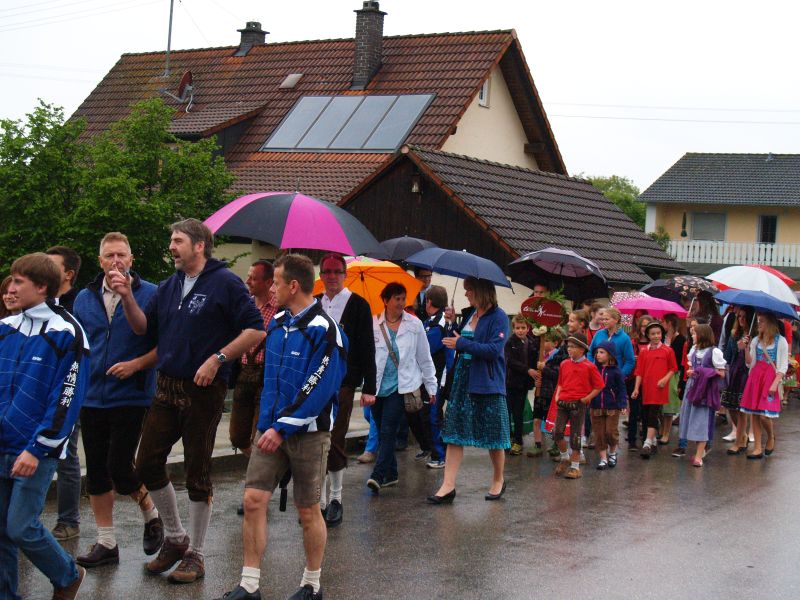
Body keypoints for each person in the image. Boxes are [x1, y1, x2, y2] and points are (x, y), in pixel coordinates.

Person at [110, 218, 266, 583]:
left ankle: (196, 553)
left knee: (198, 471)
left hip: (203, 389)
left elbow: (256, 329)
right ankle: (176, 537)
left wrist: (218, 358)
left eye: (177, 240)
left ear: (199, 245)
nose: (171, 247)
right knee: (146, 463)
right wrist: (128, 296)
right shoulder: (170, 285)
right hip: (166, 386)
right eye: (171, 240)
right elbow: (142, 328)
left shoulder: (225, 282)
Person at [216, 254, 347, 600]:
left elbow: (320, 387)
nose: (272, 289)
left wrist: (283, 426)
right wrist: (268, 424)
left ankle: (312, 584)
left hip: (309, 434)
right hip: (269, 429)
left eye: (276, 282)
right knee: (253, 499)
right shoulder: (276, 323)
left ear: (293, 285)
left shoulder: (327, 330)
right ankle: (249, 584)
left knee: (308, 510)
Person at [0, 253, 89, 600]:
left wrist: (38, 448)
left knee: (21, 527)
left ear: (41, 287)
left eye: (19, 281)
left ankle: (68, 575)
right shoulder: (6, 328)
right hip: (3, 445)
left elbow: (67, 398)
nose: (11, 287)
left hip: (35, 450)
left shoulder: (67, 332)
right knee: (1, 532)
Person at [71, 232, 163, 568]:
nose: (116, 261)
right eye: (109, 255)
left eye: (121, 255)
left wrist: (136, 365)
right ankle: (106, 541)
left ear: (131, 259)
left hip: (131, 393)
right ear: (100, 261)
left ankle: (151, 514)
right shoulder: (84, 298)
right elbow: (78, 345)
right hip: (92, 395)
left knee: (119, 465)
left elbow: (162, 344)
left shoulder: (151, 293)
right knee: (96, 470)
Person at [428, 277, 510, 503]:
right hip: (463, 380)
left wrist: (462, 344)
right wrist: (453, 324)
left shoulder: (499, 317)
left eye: (469, 290)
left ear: (481, 291)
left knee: (494, 435)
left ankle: (498, 479)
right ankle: (448, 486)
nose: (466, 294)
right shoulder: (470, 314)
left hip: (487, 382)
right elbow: (459, 341)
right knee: (454, 433)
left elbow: (493, 350)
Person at [315, 252, 376, 527]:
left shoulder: (358, 305)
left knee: (335, 437)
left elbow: (367, 348)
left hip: (343, 381)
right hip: (315, 382)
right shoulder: (314, 303)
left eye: (336, 271)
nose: (331, 276)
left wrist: (370, 386)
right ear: (320, 275)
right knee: (315, 440)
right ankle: (319, 500)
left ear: (345, 274)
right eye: (326, 271)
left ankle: (336, 498)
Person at [368, 282, 437, 494]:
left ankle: (378, 474)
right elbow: (367, 356)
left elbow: (424, 357)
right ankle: (392, 474)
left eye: (403, 298)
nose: (400, 303)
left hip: (402, 386)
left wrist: (431, 385)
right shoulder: (374, 322)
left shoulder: (414, 325)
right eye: (396, 299)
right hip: (377, 387)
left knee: (388, 430)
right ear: (385, 300)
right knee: (383, 431)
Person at [231, 260, 278, 516]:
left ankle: (255, 491)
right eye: (248, 276)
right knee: (237, 437)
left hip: (266, 377)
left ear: (269, 282)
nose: (247, 281)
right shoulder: (245, 304)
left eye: (253, 278)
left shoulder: (280, 309)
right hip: (243, 374)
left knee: (258, 438)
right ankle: (270, 472)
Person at [44, 245, 85, 542]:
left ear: (69, 274)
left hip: (69, 387)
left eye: (52, 266)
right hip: (41, 387)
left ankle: (69, 520)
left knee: (65, 454)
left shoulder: (79, 304)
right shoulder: (42, 302)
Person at [739, 313, 788, 459]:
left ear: (771, 324)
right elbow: (750, 363)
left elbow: (783, 366)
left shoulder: (781, 341)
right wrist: (746, 348)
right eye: (758, 321)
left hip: (770, 378)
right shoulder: (755, 340)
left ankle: (771, 436)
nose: (758, 324)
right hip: (756, 377)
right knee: (755, 413)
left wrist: (775, 383)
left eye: (762, 321)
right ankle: (757, 448)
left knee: (764, 416)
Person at [588, 307, 637, 449]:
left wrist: (620, 375)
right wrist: (591, 368)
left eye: (607, 319)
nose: (603, 321)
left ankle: (612, 446)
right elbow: (590, 352)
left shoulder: (624, 338)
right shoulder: (599, 334)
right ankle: (596, 438)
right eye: (602, 318)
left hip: (613, 380)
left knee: (611, 413)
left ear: (616, 320)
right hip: (596, 377)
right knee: (595, 408)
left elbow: (630, 360)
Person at [679, 324, 726, 467]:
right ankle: (702, 449)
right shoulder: (694, 350)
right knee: (691, 420)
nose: (692, 336)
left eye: (695, 333)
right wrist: (691, 372)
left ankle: (699, 456)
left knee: (701, 421)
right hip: (692, 388)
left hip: (705, 390)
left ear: (702, 335)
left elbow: (722, 373)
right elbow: (692, 368)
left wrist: (702, 372)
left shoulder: (714, 352)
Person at [632, 321, 678, 459]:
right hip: (646, 388)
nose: (656, 336)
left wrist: (665, 379)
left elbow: (673, 368)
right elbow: (639, 371)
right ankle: (652, 442)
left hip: (659, 388)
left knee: (653, 413)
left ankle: (647, 443)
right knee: (645, 415)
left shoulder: (667, 350)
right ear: (648, 335)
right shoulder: (644, 351)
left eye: (658, 333)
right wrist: (636, 388)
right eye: (653, 334)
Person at [420, 284, 454, 469]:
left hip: (439, 377)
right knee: (426, 416)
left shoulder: (439, 323)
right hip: (429, 376)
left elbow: (426, 349)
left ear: (429, 301)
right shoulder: (431, 321)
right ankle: (432, 449)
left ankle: (440, 455)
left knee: (433, 416)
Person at [527, 328, 567, 457]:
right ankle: (537, 445)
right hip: (540, 394)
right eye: (542, 340)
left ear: (555, 343)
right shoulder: (540, 355)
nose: (543, 343)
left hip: (553, 394)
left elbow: (558, 375)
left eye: (547, 340)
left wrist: (544, 368)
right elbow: (536, 375)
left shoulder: (560, 357)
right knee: (536, 419)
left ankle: (556, 444)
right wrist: (536, 381)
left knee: (554, 421)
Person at [591, 341, 628, 470]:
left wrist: (622, 404)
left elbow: (622, 389)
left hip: (612, 406)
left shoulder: (616, 371)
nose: (598, 355)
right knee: (599, 434)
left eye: (602, 352)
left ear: (610, 355)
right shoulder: (593, 369)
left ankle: (612, 452)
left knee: (610, 432)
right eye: (597, 352)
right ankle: (603, 458)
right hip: (595, 406)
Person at [724, 307, 755, 454]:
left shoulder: (755, 336)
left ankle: (739, 441)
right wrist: (737, 347)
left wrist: (747, 346)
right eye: (739, 316)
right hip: (735, 370)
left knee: (742, 408)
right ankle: (742, 435)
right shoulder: (734, 333)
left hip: (747, 373)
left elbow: (754, 359)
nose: (741, 319)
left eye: (744, 317)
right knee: (730, 405)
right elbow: (728, 355)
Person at [505, 314, 537, 455]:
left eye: (523, 328)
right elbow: (510, 361)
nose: (520, 330)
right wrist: (527, 370)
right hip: (511, 383)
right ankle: (508, 438)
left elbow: (534, 359)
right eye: (517, 328)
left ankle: (518, 441)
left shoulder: (531, 342)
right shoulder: (510, 342)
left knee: (518, 413)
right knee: (508, 412)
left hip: (523, 384)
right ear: (513, 329)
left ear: (528, 328)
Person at [660, 313, 686, 445]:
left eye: (663, 322)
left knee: (669, 406)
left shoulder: (680, 340)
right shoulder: (662, 337)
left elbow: (677, 361)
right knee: (660, 405)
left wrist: (669, 345)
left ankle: (666, 433)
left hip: (673, 374)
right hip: (661, 372)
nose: (662, 324)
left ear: (669, 323)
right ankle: (661, 430)